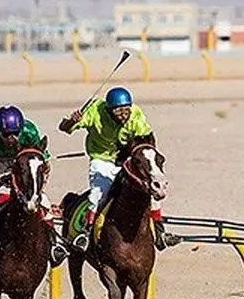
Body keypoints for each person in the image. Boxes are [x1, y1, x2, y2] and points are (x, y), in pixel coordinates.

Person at [57, 86, 181, 253]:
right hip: (102, 161)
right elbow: (64, 128)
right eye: (118, 111)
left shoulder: (136, 115)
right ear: (108, 110)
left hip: (126, 161)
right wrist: (72, 120)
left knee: (150, 192)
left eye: (126, 110)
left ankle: (160, 234)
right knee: (97, 196)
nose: (124, 115)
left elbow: (147, 142)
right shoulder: (94, 111)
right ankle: (85, 235)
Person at [0, 104, 68, 271]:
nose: (12, 138)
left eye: (16, 133)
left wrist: (39, 186)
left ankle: (55, 244)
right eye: (6, 134)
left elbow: (44, 162)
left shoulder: (29, 130)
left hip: (20, 162)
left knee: (43, 201)